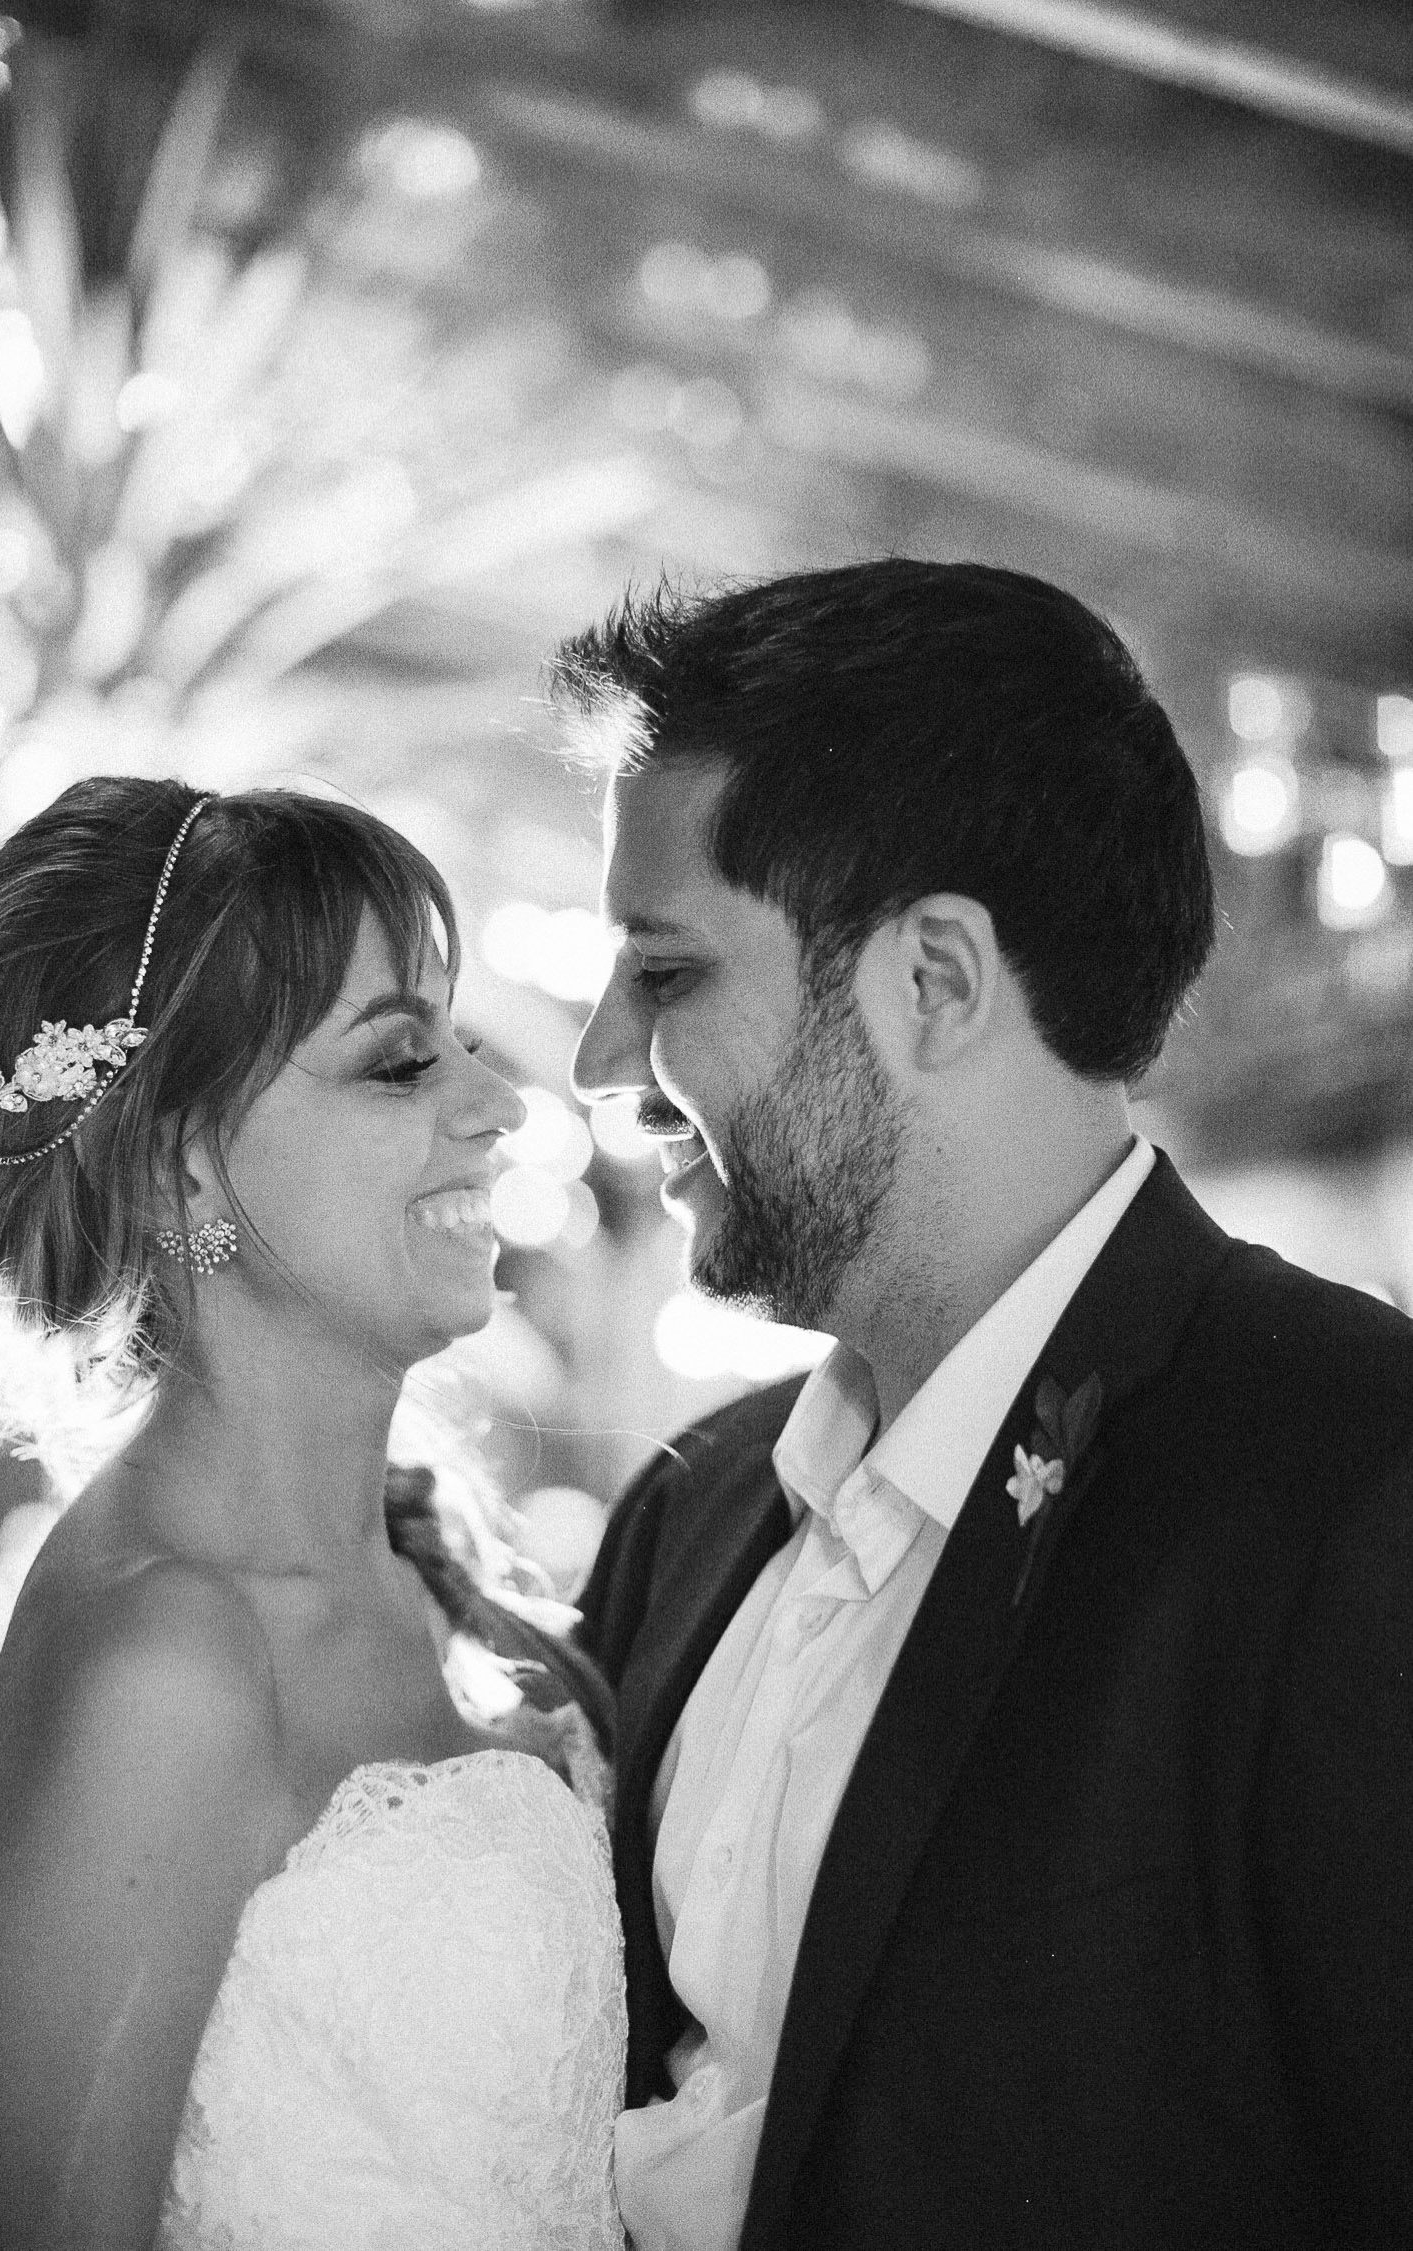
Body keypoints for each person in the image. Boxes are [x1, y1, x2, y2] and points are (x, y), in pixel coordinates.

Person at [555, 560, 1413, 2251]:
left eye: (665, 975)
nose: (595, 1060)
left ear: (936, 981)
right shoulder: (687, 1511)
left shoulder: (1355, 1496)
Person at [0, 779, 626, 2251]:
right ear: (182, 1159)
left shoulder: (428, 1573)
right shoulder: (162, 1672)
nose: (497, 1104)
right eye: (399, 1064)